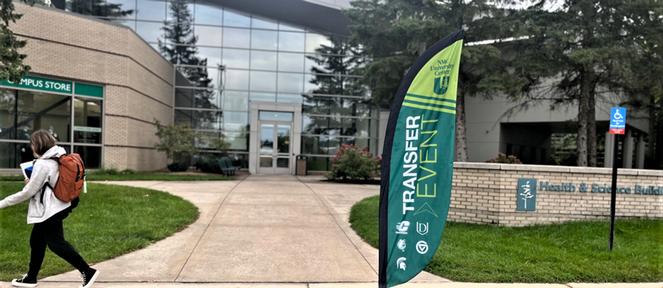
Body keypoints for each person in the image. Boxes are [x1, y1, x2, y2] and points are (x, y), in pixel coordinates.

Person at [0, 130, 99, 288]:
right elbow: (47, 183)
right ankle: (31, 278)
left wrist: (3, 203)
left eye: (32, 144)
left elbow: (29, 192)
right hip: (60, 205)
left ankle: (87, 271)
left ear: (37, 145)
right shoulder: (59, 157)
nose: (31, 147)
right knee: (37, 242)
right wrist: (33, 183)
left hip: (50, 210)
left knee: (56, 243)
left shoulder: (42, 163)